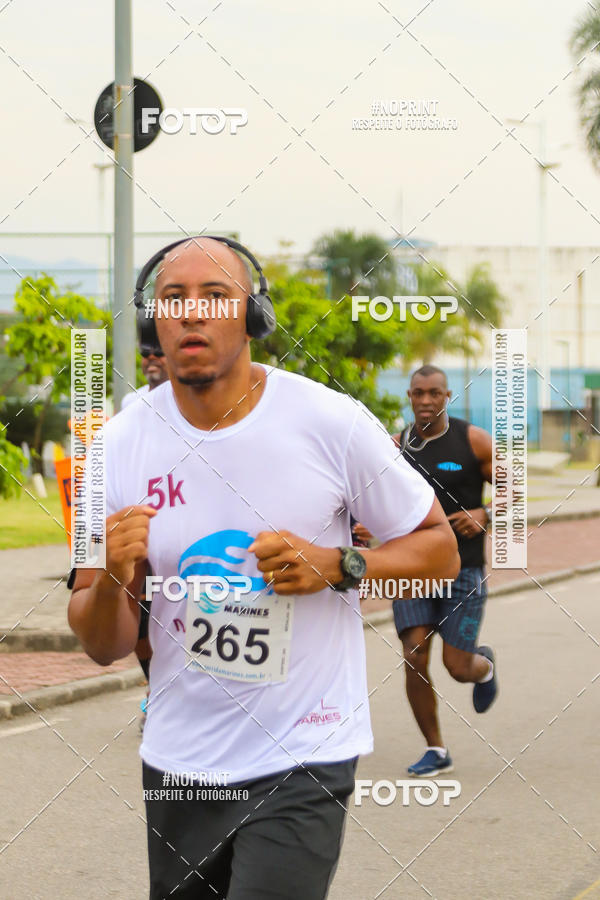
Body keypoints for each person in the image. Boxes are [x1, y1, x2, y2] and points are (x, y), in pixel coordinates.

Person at [68, 237, 460, 900]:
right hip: (178, 761)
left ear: (252, 316)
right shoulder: (113, 449)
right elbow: (101, 643)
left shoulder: (331, 424)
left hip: (303, 752)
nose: (192, 312)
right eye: (173, 298)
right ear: (151, 323)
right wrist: (110, 573)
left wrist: (341, 564)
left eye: (215, 296)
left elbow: (440, 549)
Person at [392, 364, 498, 778]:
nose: (426, 401)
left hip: (463, 569)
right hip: (412, 568)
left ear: (447, 396)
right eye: (418, 393)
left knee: (458, 667)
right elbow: (379, 496)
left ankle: (483, 667)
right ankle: (436, 749)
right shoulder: (397, 445)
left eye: (434, 393)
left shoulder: (471, 440)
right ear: (410, 396)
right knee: (414, 652)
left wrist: (484, 512)